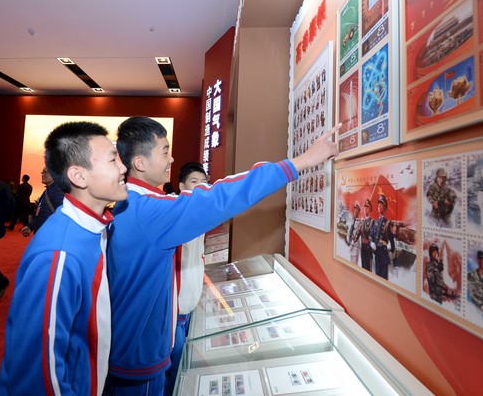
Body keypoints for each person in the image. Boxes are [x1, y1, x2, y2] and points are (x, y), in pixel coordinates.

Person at [104, 116, 340, 395]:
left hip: (131, 345)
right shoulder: (148, 210)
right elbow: (220, 197)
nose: (171, 159)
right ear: (140, 163)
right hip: (137, 358)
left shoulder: (131, 203)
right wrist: (300, 162)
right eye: (165, 151)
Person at [0, 121, 128, 395]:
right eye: (113, 160)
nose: (123, 168)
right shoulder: (59, 255)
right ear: (78, 176)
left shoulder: (93, 230)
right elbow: (38, 376)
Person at [164, 162, 209, 395]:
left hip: (188, 308)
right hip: (175, 312)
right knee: (173, 369)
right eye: (194, 182)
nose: (201, 187)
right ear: (181, 186)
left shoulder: (201, 215)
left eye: (205, 182)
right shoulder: (174, 212)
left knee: (180, 368)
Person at [20, 167, 65, 237]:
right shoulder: (47, 191)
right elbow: (40, 215)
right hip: (44, 234)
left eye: (45, 172)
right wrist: (30, 227)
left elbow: (61, 215)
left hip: (50, 235)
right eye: (42, 172)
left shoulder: (58, 191)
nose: (42, 175)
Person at [370, 194, 395, 280]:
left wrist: (391, 249)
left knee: (383, 278)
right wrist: (371, 243)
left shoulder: (388, 223)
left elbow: (392, 240)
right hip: (377, 254)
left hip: (384, 255)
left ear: (385, 208)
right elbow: (371, 235)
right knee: (377, 277)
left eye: (381, 205)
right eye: (378, 205)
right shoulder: (375, 222)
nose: (379, 207)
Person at [0, 179, 15, 299]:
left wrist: (0, 218)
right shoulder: (2, 186)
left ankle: (0, 282)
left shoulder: (1, 186)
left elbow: (10, 206)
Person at [359, 199, 374, 271]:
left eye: (367, 206)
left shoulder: (372, 222)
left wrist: (369, 241)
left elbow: (374, 236)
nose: (365, 208)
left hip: (368, 250)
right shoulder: (362, 221)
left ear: (370, 209)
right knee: (363, 269)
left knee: (368, 271)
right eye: (364, 207)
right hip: (363, 249)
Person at [347, 200, 361, 265]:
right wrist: (349, 241)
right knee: (351, 262)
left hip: (355, 245)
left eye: (356, 208)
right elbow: (349, 231)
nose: (355, 210)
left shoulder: (359, 221)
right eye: (354, 208)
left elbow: (357, 233)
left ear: (358, 210)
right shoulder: (353, 220)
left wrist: (352, 242)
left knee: (354, 263)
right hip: (351, 244)